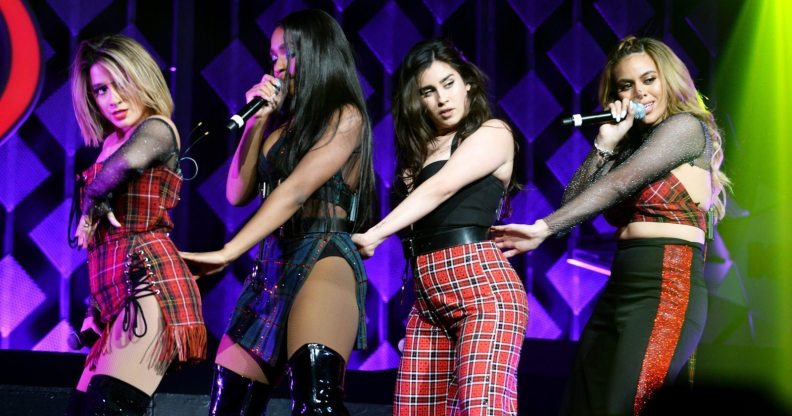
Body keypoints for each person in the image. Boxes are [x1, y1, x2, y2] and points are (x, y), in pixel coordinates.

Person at [492, 36, 730, 415]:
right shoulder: (629, 147)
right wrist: (604, 144)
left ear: (669, 80)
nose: (640, 92)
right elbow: (573, 205)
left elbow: (619, 185)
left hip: (666, 285)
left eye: (649, 80)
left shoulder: (687, 128)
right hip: (619, 286)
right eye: (626, 85)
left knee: (629, 403)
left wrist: (543, 228)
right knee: (584, 402)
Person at [179, 9, 374, 415]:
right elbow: (236, 193)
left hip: (322, 254)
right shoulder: (281, 127)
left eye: (289, 53)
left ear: (318, 52)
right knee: (229, 403)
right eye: (273, 57)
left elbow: (297, 190)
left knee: (316, 402)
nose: (279, 65)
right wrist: (256, 123)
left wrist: (226, 253)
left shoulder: (345, 116)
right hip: (272, 263)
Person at [352, 39, 529, 415]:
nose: (442, 99)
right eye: (428, 92)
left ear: (467, 82)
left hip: (482, 289)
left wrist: (375, 234)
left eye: (449, 84)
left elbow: (442, 186)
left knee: (482, 408)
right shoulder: (419, 151)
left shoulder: (493, 132)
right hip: (428, 299)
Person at [67, 34, 206, 415]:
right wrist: (91, 309)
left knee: (107, 409)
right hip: (112, 299)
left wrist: (94, 197)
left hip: (149, 283)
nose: (112, 98)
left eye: (120, 83)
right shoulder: (110, 141)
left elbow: (120, 170)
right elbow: (100, 240)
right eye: (100, 89)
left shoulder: (158, 129)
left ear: (142, 78)